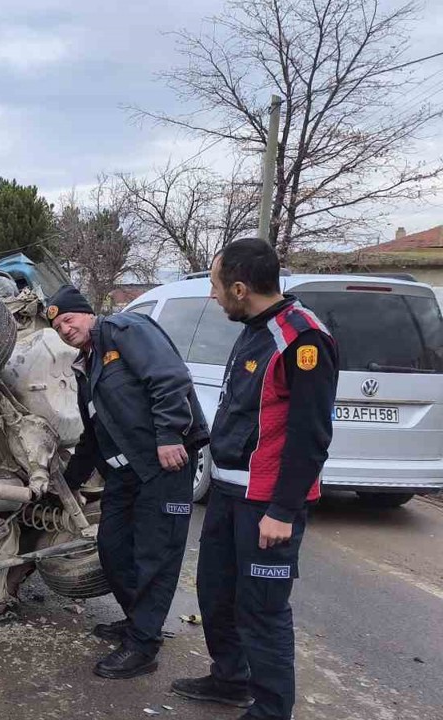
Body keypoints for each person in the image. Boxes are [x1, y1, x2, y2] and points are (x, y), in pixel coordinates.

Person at [171, 238, 338, 720]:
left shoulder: (303, 338)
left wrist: (283, 510)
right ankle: (230, 680)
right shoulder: (254, 328)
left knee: (262, 610)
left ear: (240, 288)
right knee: (216, 594)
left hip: (265, 502)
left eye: (216, 285)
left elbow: (310, 435)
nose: (213, 295)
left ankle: (271, 709)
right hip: (227, 490)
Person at [49, 284, 209, 679]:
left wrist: (169, 434)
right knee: (113, 547)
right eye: (58, 328)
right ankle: (138, 620)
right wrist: (66, 484)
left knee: (155, 554)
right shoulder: (86, 367)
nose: (65, 329)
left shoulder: (127, 330)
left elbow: (170, 378)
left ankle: (143, 646)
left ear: (87, 312)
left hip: (164, 466)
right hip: (125, 472)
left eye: (68, 319)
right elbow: (92, 437)